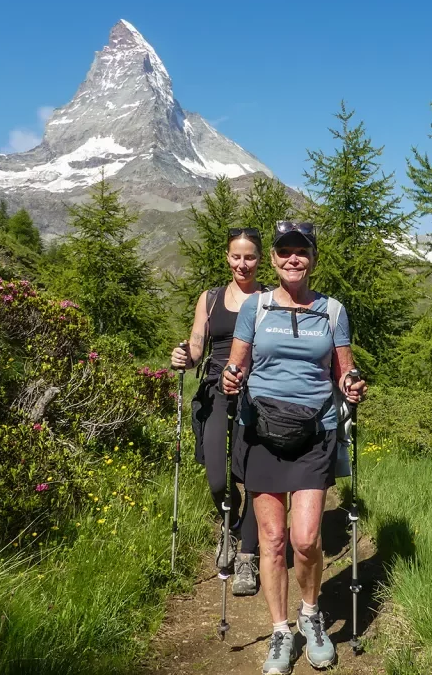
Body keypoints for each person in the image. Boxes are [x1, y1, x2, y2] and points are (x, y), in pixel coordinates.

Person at [223, 221, 366, 675]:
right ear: (274, 259)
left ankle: (310, 613)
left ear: (312, 259)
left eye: (300, 251)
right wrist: (231, 378)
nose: (292, 258)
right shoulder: (256, 306)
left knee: (305, 540)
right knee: (272, 539)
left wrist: (351, 383)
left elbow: (342, 369)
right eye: (284, 250)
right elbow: (237, 364)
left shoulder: (333, 311)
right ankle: (282, 630)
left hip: (316, 430)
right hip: (261, 430)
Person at [170, 227, 264, 597]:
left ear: (260, 259)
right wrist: (184, 357)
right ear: (227, 257)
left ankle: (247, 556)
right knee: (217, 478)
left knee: (257, 477)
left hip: (259, 395)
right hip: (215, 391)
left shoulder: (270, 298)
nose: (243, 264)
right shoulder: (210, 299)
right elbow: (197, 344)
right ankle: (230, 521)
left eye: (250, 257)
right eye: (236, 256)